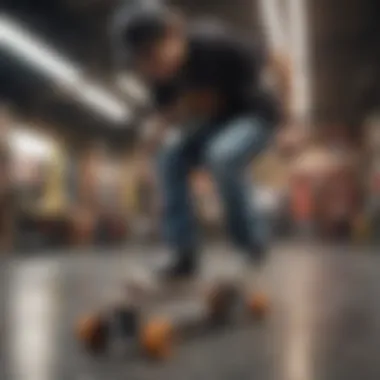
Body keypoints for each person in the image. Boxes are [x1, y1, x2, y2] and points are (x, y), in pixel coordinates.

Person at [111, 1, 282, 279]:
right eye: (141, 63)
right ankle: (183, 255)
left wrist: (290, 122)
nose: (151, 69)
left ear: (175, 32)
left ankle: (250, 247)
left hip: (255, 117)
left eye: (152, 55)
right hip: (214, 125)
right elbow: (167, 116)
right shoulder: (158, 79)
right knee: (169, 158)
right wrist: (148, 150)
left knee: (223, 155)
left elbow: (280, 62)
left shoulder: (214, 42)